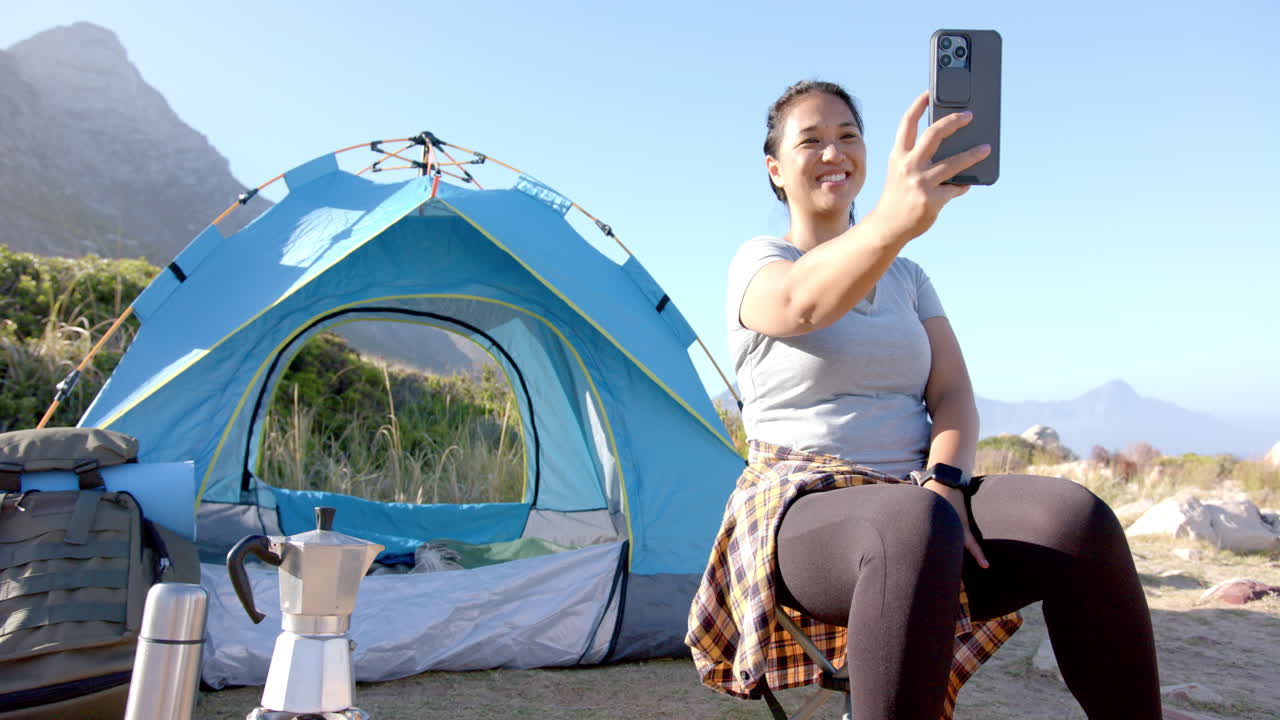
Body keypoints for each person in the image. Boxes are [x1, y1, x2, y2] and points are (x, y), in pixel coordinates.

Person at [686, 80, 1161, 720]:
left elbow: (953, 394)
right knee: (913, 525)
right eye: (812, 140)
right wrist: (892, 220)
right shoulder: (760, 260)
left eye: (848, 136)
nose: (834, 151)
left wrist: (945, 481)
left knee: (1076, 520)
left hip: (920, 493)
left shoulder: (909, 278)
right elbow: (802, 304)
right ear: (776, 169)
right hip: (803, 504)